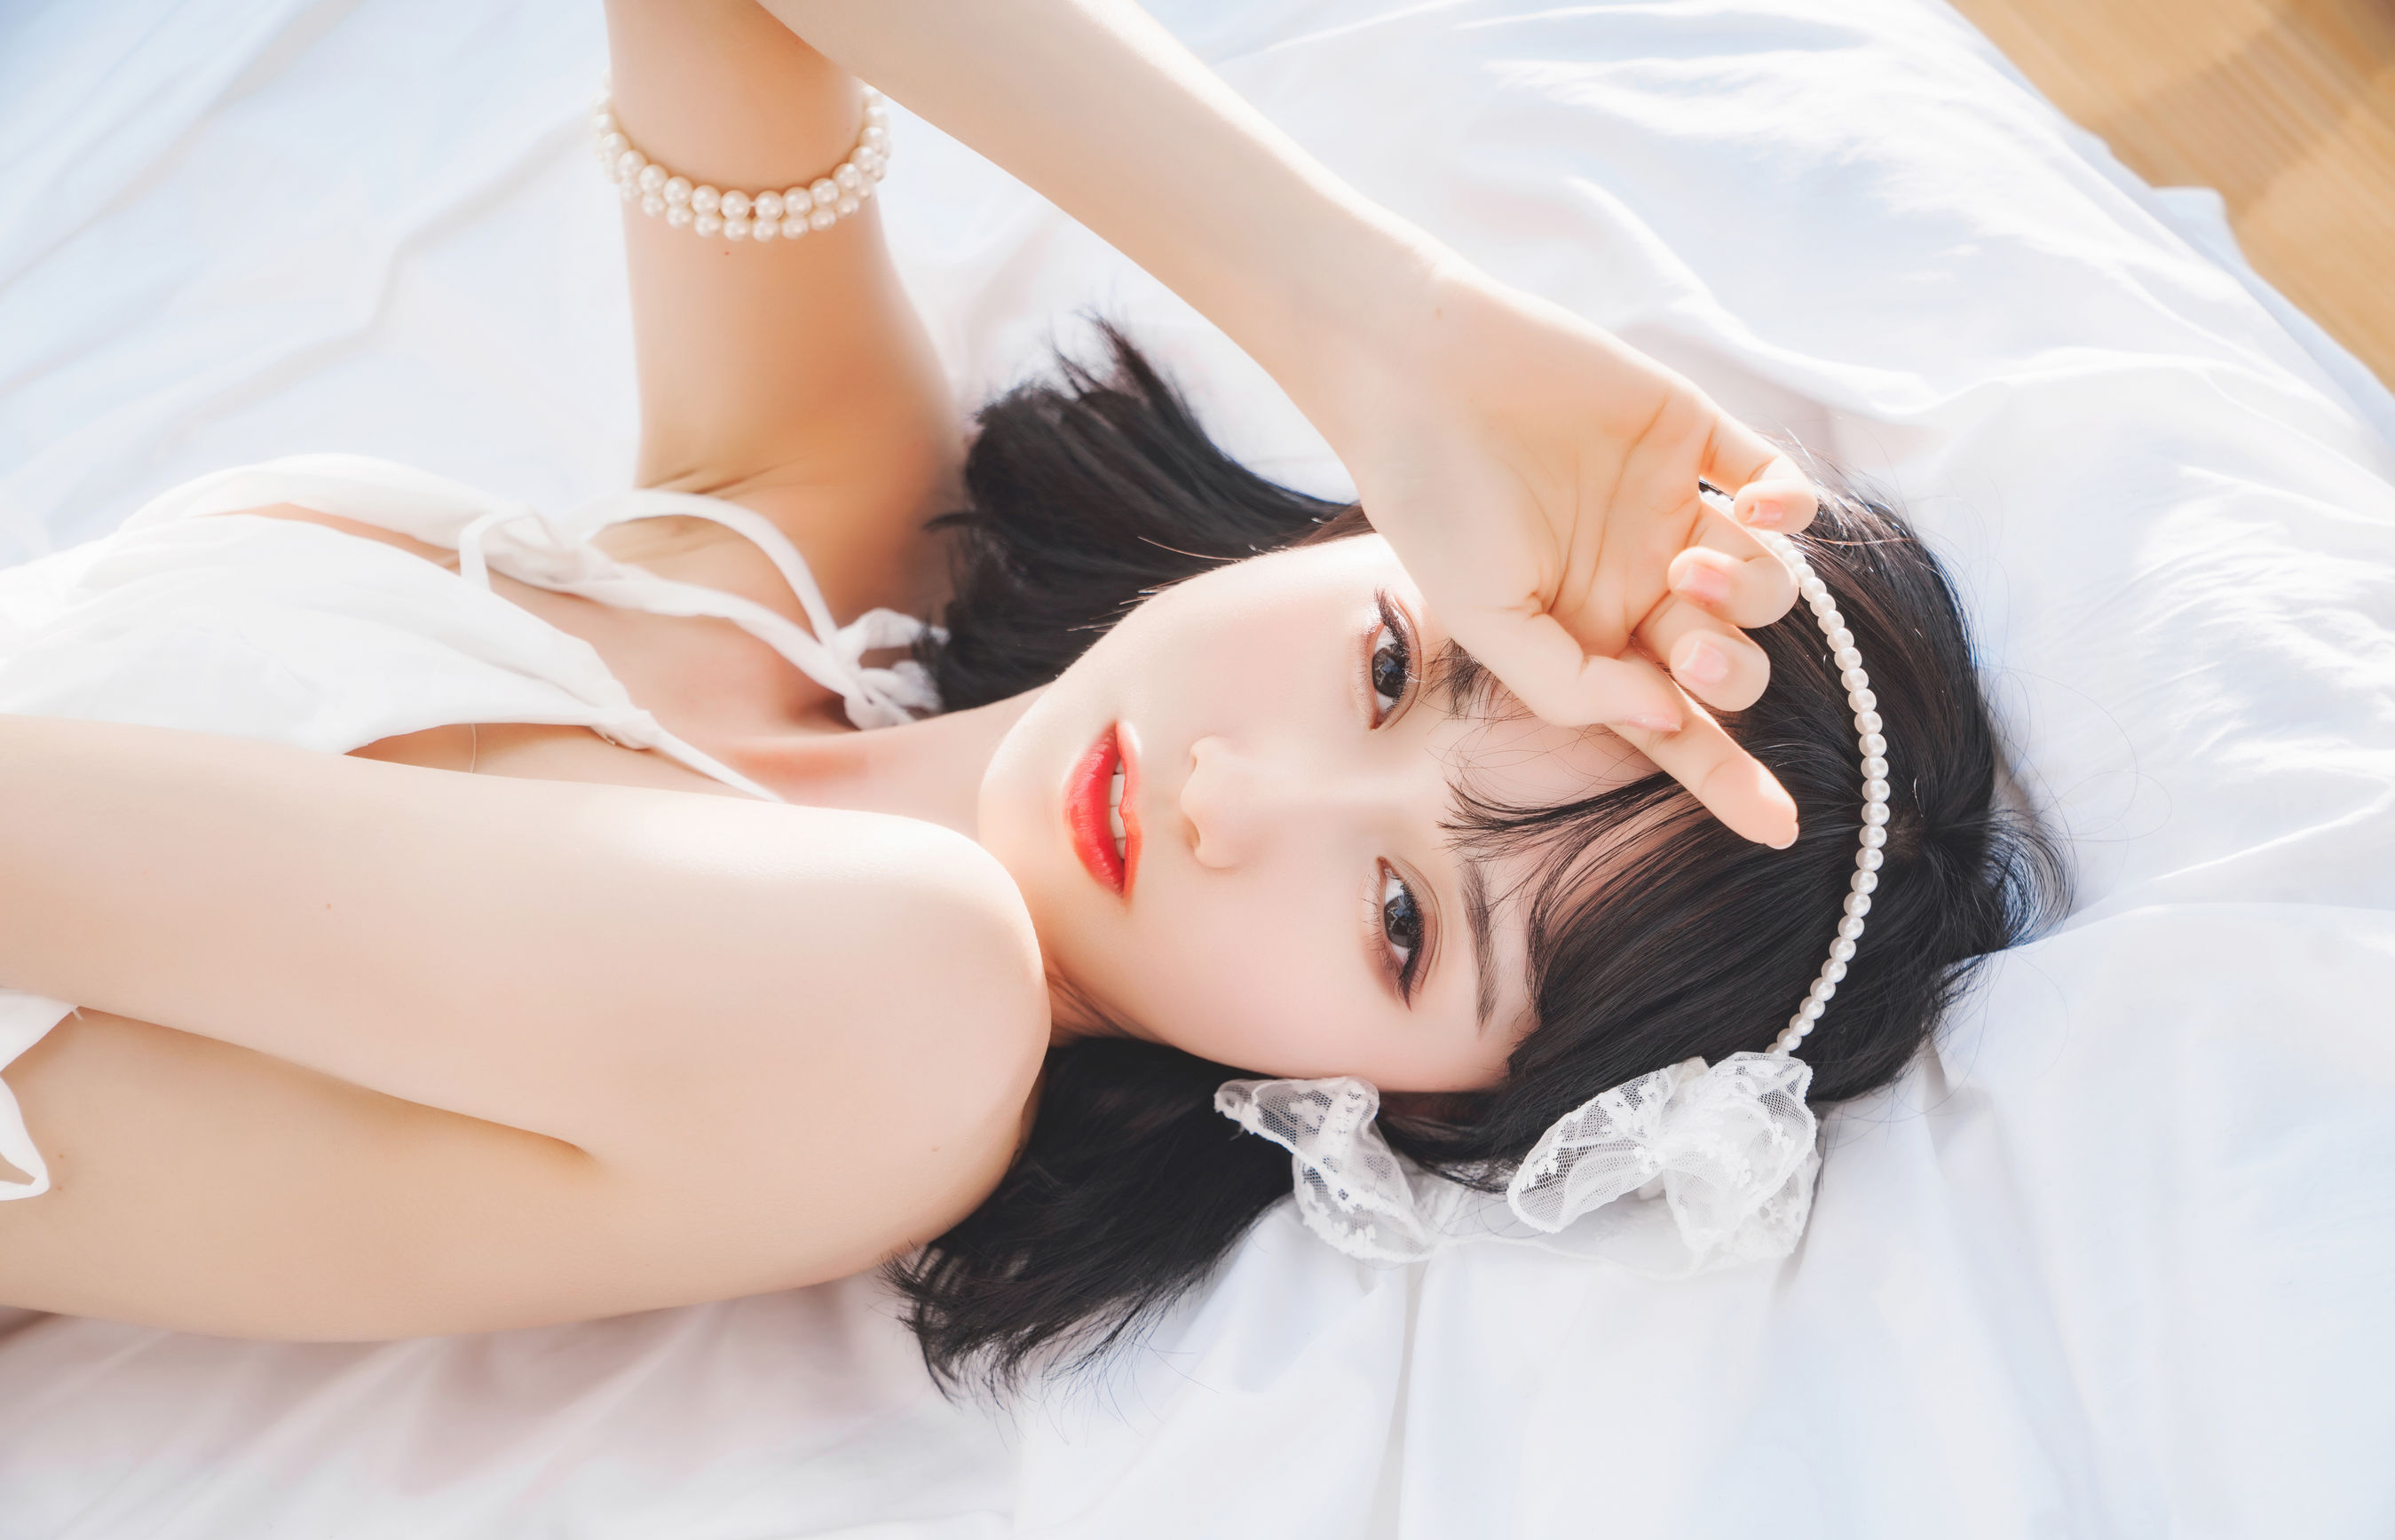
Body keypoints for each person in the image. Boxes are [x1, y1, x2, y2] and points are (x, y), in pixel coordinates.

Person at [0, 0, 2051, 1387]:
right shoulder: (807, 526)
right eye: (1387, 664)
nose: (1234, 803)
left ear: (1408, 1111)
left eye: (1401, 923)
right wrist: (1376, 319)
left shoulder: (894, 1032)